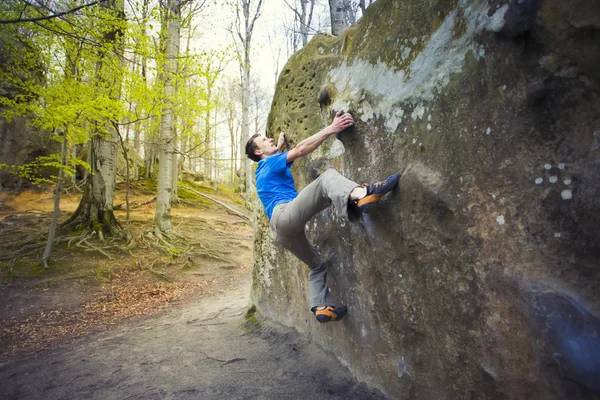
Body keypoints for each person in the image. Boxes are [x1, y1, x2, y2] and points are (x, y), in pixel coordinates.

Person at [245, 111, 400, 323]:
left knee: (317, 265)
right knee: (326, 179)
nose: (269, 138)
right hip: (286, 214)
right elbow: (300, 150)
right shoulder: (269, 164)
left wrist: (278, 146)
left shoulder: (263, 169)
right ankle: (362, 195)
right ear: (257, 151)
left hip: (281, 231)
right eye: (264, 140)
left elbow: (276, 159)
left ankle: (321, 307)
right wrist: (333, 128)